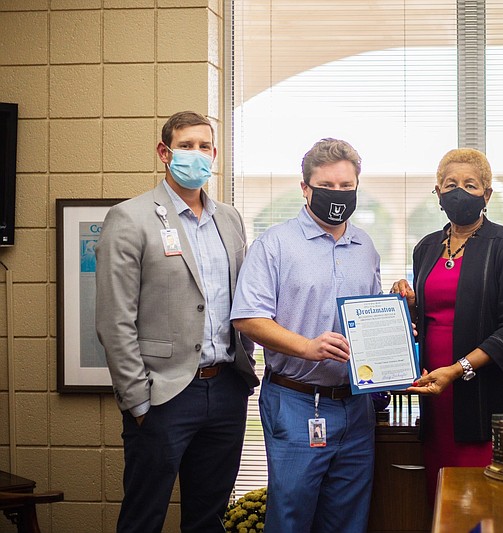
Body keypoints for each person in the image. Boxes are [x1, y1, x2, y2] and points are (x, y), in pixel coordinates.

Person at [95, 110, 259, 532]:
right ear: (164, 152)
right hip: (163, 393)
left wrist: (244, 365)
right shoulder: (130, 217)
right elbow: (115, 320)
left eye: (204, 146)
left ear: (215, 154)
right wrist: (138, 400)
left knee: (208, 519)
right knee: (143, 518)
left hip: (225, 389)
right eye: (186, 146)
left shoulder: (230, 218)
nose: (196, 154)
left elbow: (243, 300)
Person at [230, 138, 381, 533]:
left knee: (349, 519)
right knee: (292, 518)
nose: (337, 194)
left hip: (356, 406)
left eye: (346, 187)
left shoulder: (365, 246)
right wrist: (308, 347)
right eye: (327, 186)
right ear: (305, 188)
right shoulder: (274, 245)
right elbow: (248, 318)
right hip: (296, 402)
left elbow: (372, 317)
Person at [391, 148, 503, 502]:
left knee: (484, 503)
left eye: (470, 185)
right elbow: (434, 315)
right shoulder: (426, 247)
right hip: (435, 398)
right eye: (450, 184)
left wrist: (458, 369)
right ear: (438, 193)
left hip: (486, 399)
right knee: (442, 498)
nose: (459, 192)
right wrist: (409, 306)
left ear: (486, 195)